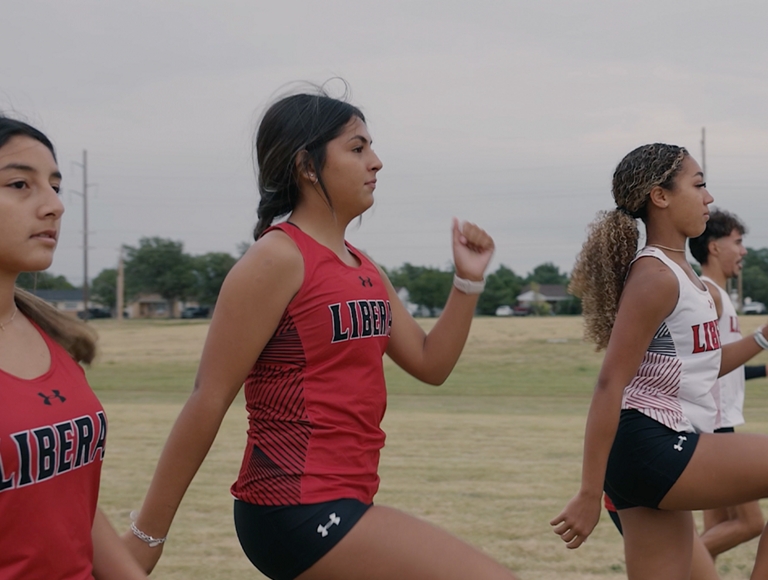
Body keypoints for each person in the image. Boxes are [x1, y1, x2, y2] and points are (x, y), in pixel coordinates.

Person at [124, 88, 517, 580]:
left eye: (371, 146)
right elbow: (209, 398)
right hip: (292, 507)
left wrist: (468, 281)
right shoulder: (278, 259)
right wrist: (145, 541)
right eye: (357, 148)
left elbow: (429, 362)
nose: (376, 162)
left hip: (347, 500)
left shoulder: (363, 266)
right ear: (307, 166)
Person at [549, 143, 768, 580]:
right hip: (651, 445)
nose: (709, 198)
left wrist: (762, 337)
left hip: (645, 454)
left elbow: (705, 364)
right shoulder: (655, 276)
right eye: (699, 184)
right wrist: (589, 492)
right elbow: (611, 384)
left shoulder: (684, 276)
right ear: (660, 196)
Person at [0, 116, 147, 579]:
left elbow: (68, 506)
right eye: (21, 184)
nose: (54, 206)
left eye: (55, 186)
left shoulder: (54, 338)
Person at [689, 209, 767, 558]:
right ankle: (665, 566)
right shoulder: (710, 294)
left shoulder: (720, 296)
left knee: (716, 530)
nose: (744, 251)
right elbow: (703, 366)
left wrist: (762, 371)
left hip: (714, 425)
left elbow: (723, 364)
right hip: (715, 429)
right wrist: (762, 338)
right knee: (750, 524)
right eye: (738, 242)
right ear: (714, 247)